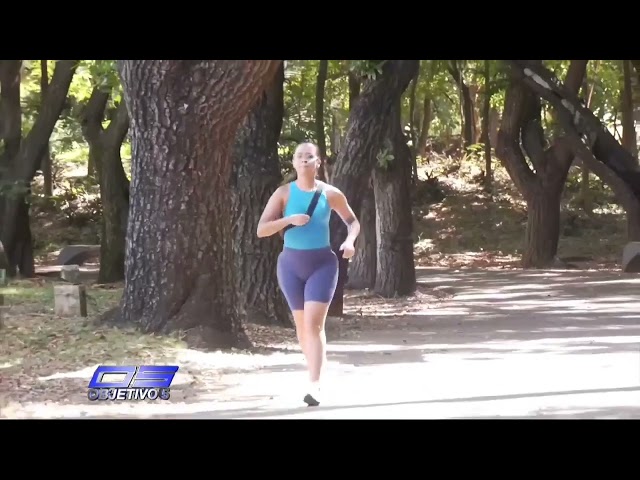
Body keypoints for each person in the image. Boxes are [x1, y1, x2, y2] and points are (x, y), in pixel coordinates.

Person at [256, 142, 360, 407]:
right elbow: (262, 230)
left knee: (314, 326)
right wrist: (289, 220)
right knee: (302, 329)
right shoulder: (283, 193)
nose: (304, 160)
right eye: (299, 156)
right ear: (293, 163)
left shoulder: (330, 193)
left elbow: (352, 221)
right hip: (290, 265)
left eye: (309, 156)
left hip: (322, 264)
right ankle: (314, 370)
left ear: (318, 162)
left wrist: (350, 242)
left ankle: (315, 385)